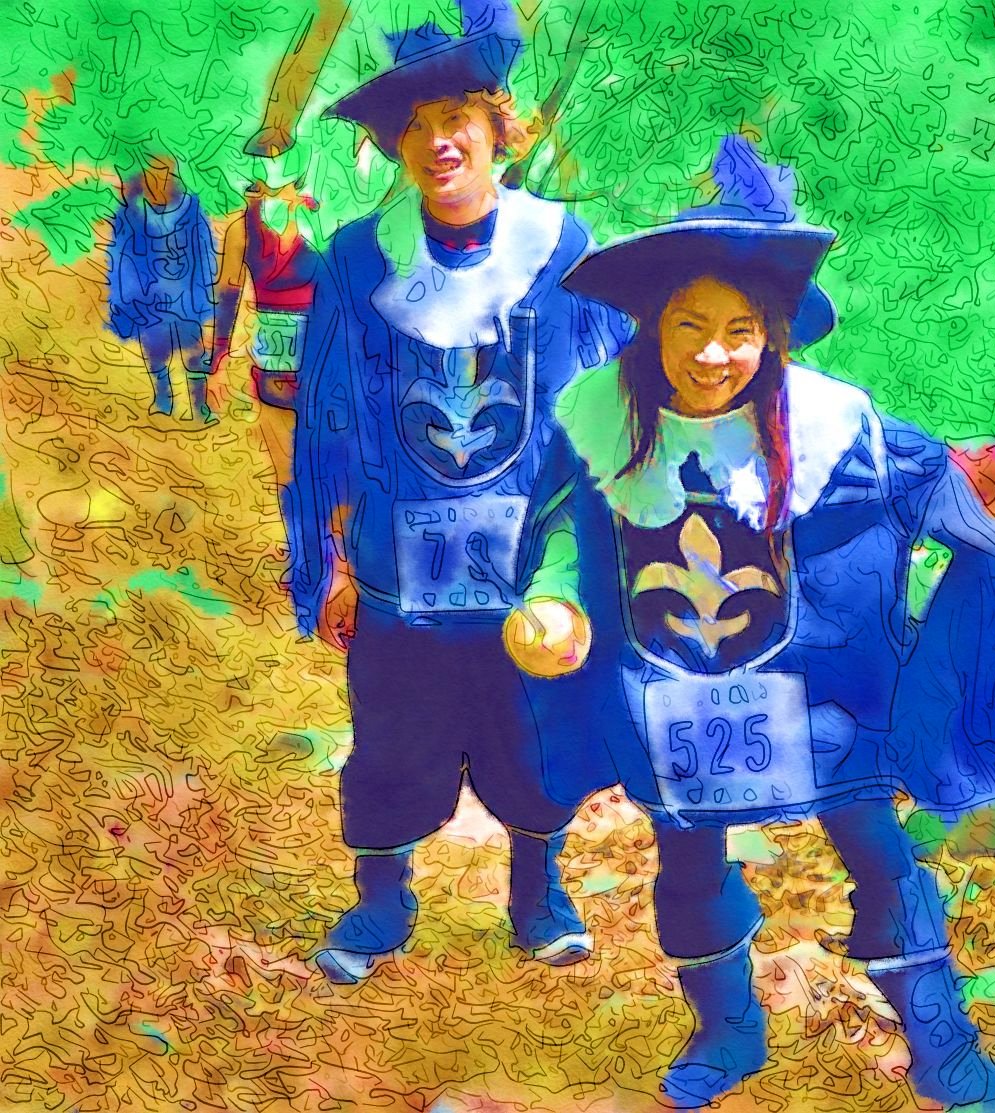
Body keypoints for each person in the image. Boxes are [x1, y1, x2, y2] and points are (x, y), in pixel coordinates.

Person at [546, 135, 995, 1110]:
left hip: (824, 697)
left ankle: (945, 1052)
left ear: (772, 334)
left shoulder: (840, 429)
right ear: (653, 327)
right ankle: (726, 1033)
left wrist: (987, 488)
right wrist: (552, 600)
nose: (713, 353)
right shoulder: (605, 423)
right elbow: (566, 536)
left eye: (739, 329)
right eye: (689, 325)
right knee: (690, 859)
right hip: (673, 695)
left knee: (881, 856)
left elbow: (973, 514)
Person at [285, 0, 630, 983]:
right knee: (392, 728)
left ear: (495, 126)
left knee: (533, 725)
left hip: (529, 553)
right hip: (398, 559)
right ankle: (381, 900)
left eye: (456, 118)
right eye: (416, 127)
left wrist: (597, 560)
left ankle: (537, 891)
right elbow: (328, 419)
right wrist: (329, 561)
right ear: (397, 146)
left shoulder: (562, 249)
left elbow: (603, 410)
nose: (439, 142)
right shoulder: (359, 258)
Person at [213, 164, 320, 496]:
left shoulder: (322, 217)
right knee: (287, 470)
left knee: (322, 469)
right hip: (279, 364)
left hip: (321, 358)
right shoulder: (244, 228)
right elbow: (227, 294)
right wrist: (218, 360)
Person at [107, 154, 218, 424]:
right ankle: (163, 399)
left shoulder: (190, 209)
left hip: (185, 297)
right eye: (153, 173)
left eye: (166, 173)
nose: (161, 180)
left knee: (194, 350)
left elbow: (205, 251)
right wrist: (130, 297)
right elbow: (121, 257)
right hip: (149, 299)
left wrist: (203, 291)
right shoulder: (131, 214)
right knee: (155, 349)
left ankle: (199, 405)